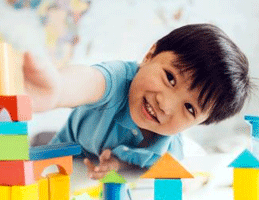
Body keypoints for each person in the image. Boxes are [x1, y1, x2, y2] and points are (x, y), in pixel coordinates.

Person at [23, 24, 251, 180]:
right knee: (31, 158)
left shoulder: (168, 153)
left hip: (98, 165)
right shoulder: (120, 79)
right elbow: (89, 81)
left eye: (190, 108)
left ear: (201, 123)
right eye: (170, 78)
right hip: (70, 145)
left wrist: (118, 164)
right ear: (150, 55)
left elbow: (143, 163)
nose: (166, 105)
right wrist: (59, 89)